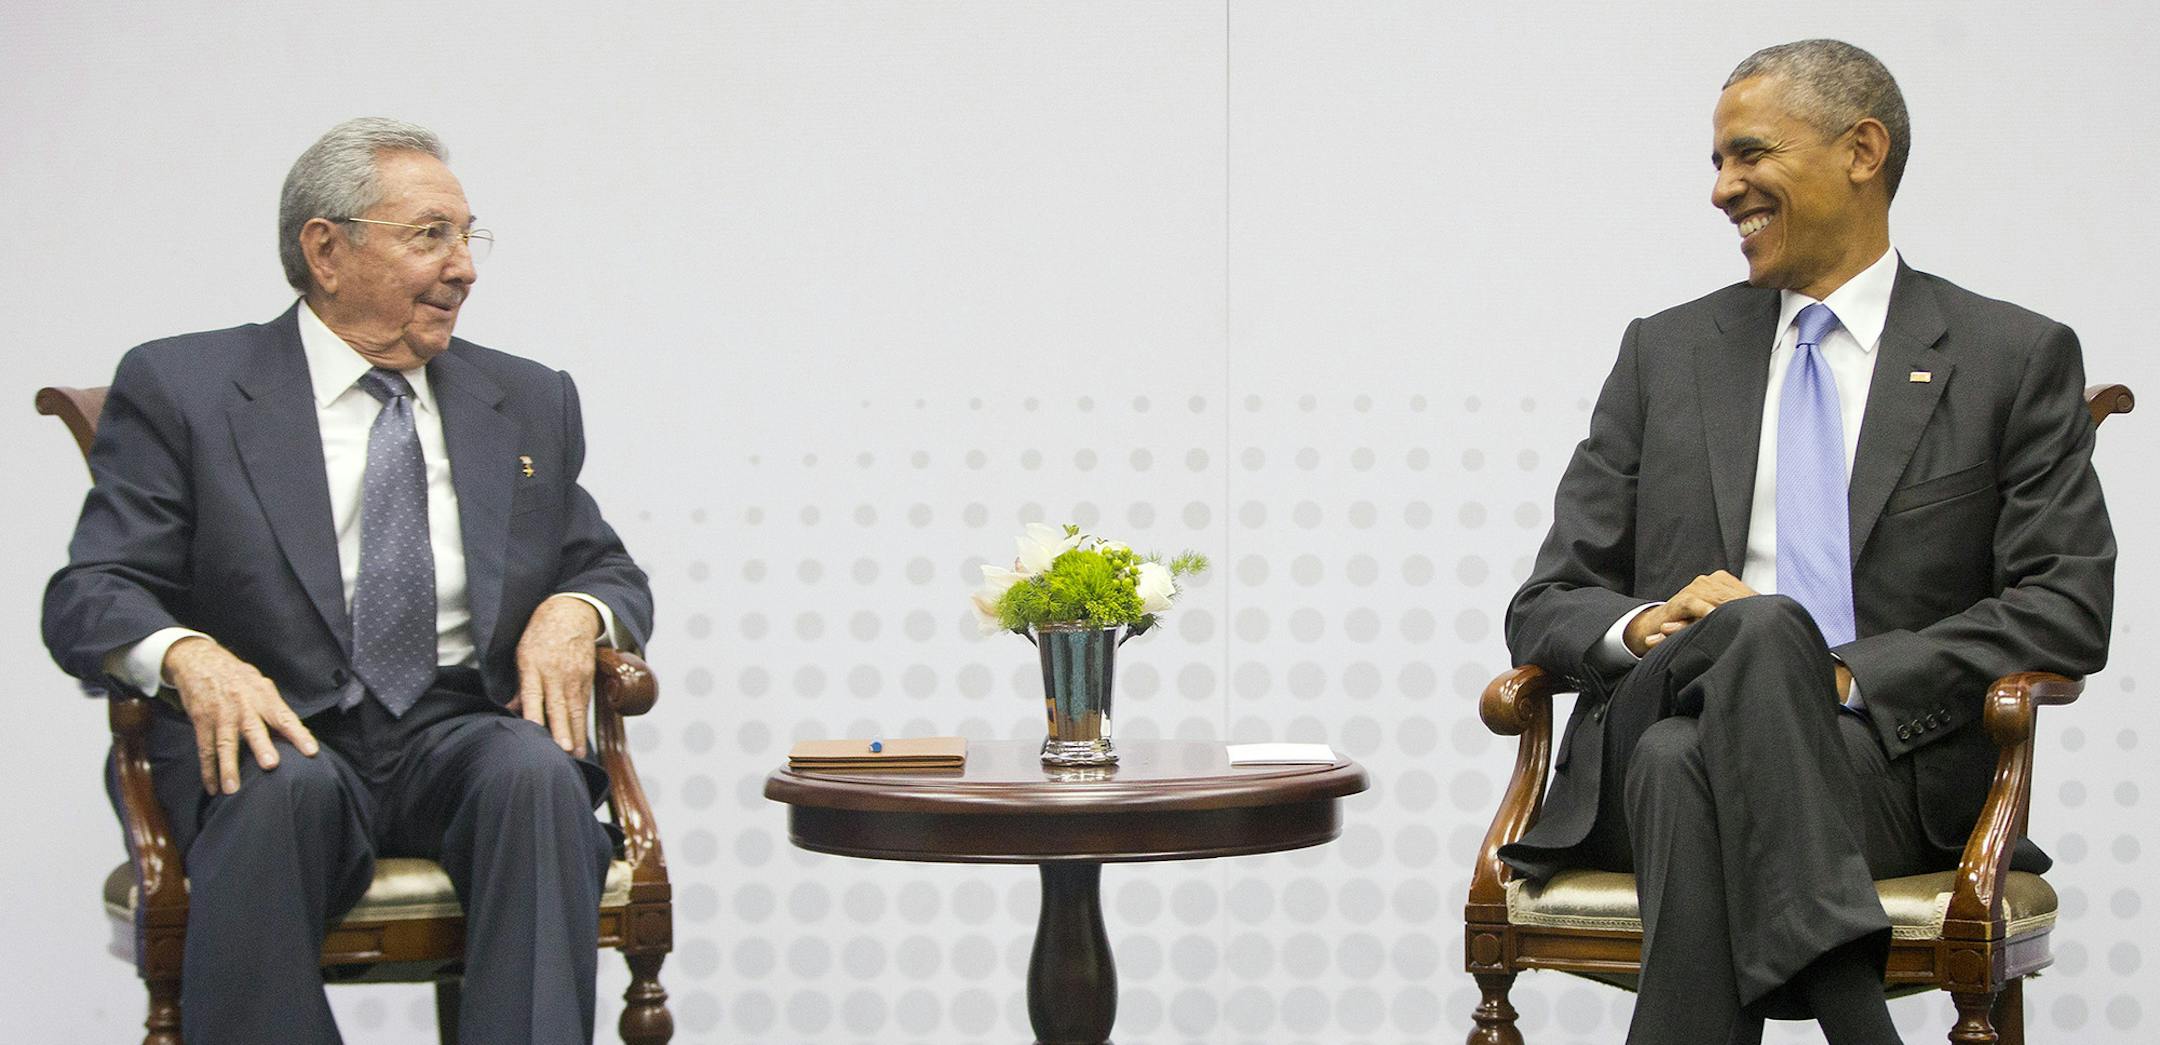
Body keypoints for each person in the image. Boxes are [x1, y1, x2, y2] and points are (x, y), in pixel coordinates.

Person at [1497, 40, 2114, 1045]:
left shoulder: (2011, 356)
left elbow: (2064, 608)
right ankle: (1845, 1000)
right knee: (1747, 639)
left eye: (1747, 155)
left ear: (1862, 149)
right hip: (1668, 695)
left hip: (1883, 773)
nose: (1721, 189)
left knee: (1684, 756)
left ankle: (1837, 989)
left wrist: (1831, 674)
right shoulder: (1667, 353)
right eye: (1714, 165)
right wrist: (1654, 621)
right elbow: (1549, 602)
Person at [43, 117, 654, 1045]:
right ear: (325, 251)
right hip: (271, 731)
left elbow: (602, 561)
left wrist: (578, 609)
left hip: (457, 730)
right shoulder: (189, 387)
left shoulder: (526, 399)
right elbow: (92, 589)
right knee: (283, 785)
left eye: (467, 235)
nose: (464, 267)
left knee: (536, 779)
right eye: (429, 236)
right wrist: (191, 656)